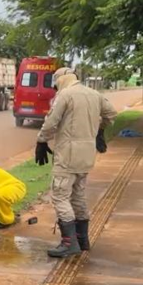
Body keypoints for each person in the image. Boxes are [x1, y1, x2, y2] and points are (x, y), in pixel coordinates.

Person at [35, 67, 118, 258]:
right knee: (78, 196)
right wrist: (99, 130)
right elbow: (111, 113)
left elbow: (51, 122)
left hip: (68, 155)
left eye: (55, 84)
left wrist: (41, 140)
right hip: (87, 155)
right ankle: (82, 240)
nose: (55, 88)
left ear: (60, 80)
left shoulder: (65, 95)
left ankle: (69, 243)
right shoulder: (94, 94)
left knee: (59, 196)